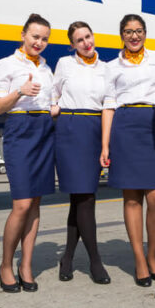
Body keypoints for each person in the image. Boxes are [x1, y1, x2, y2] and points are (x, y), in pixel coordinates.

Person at [100, 14, 155, 287]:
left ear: (145, 33)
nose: (134, 36)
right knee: (132, 199)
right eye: (129, 32)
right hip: (125, 126)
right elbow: (108, 104)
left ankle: (153, 255)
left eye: (139, 31)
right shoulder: (112, 66)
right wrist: (105, 145)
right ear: (121, 35)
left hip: (152, 126)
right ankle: (140, 260)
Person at [0, 13, 55, 293]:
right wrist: (20, 90)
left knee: (35, 204)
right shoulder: (6, 64)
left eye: (44, 38)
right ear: (23, 35)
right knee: (21, 204)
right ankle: (6, 264)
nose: (39, 42)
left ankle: (26, 265)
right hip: (20, 129)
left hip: (44, 129)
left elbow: (51, 104)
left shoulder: (47, 68)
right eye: (35, 37)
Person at [53, 21, 111, 285]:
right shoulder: (65, 64)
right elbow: (53, 94)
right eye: (79, 40)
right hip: (70, 127)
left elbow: (109, 106)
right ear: (72, 45)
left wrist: (105, 144)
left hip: (94, 129)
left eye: (88, 36)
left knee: (80, 199)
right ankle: (95, 261)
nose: (86, 43)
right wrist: (53, 108)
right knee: (84, 197)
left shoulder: (106, 69)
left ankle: (67, 257)